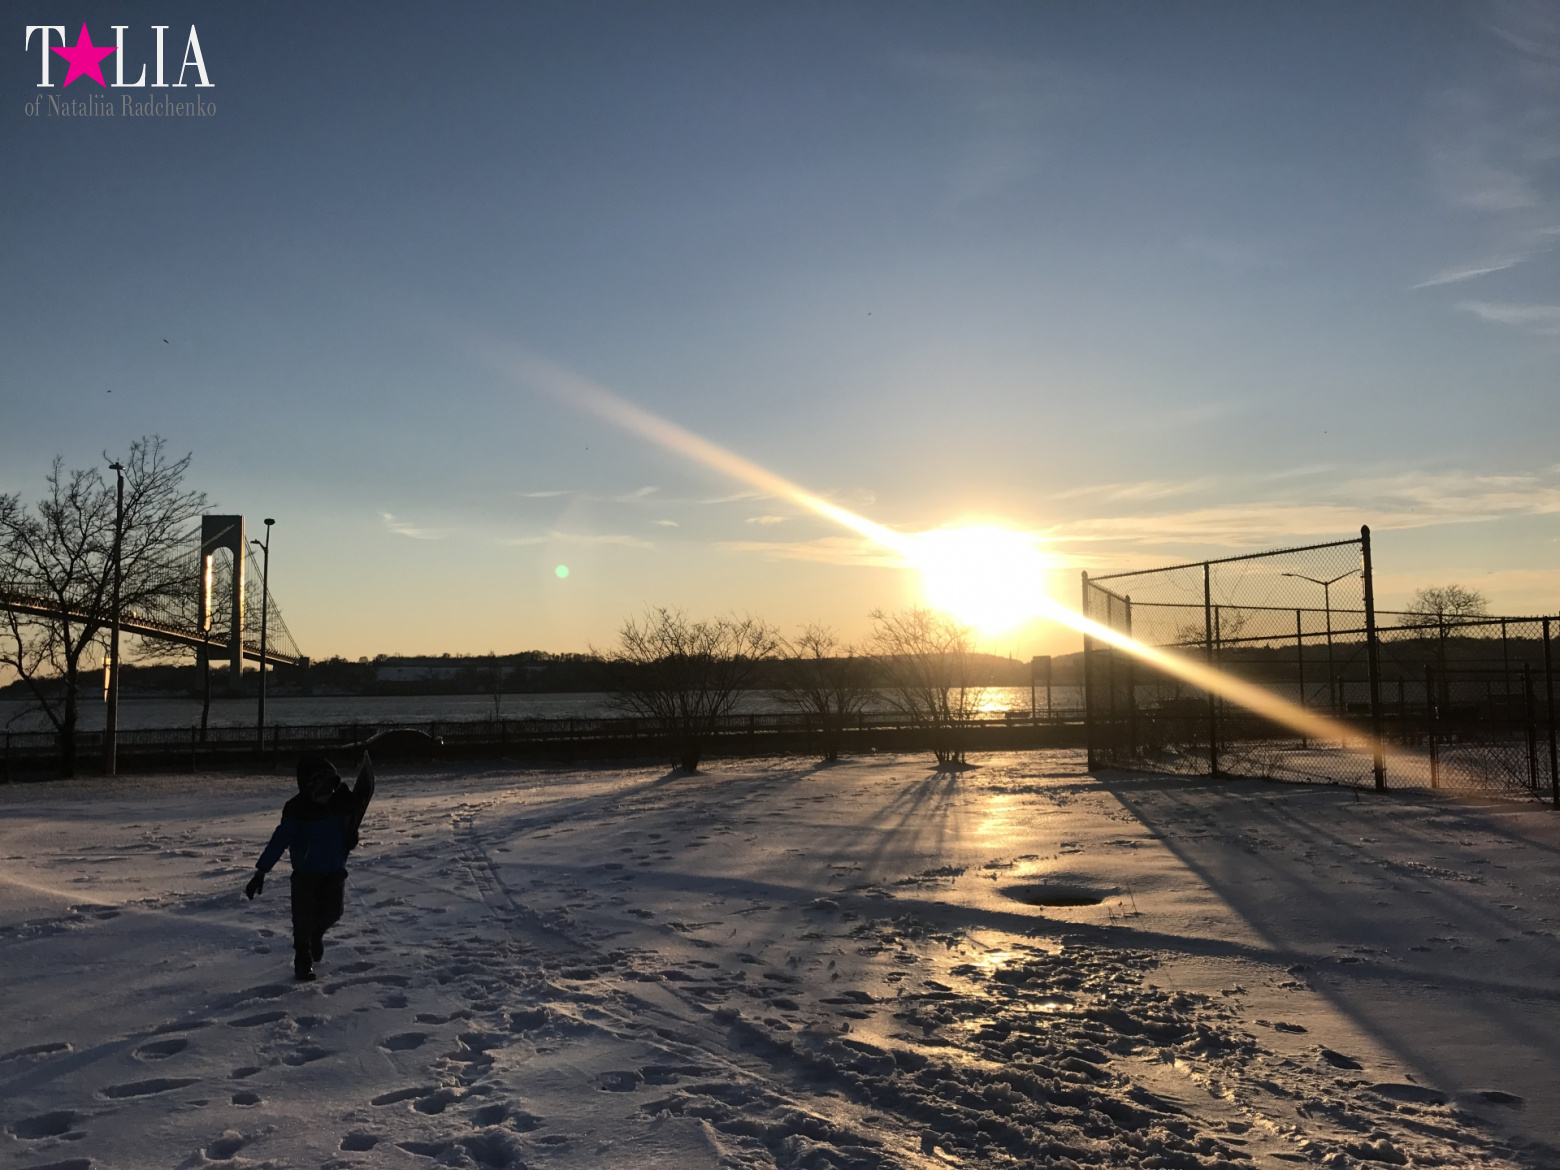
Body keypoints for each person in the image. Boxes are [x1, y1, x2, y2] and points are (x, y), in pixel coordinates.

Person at [246, 751, 375, 981]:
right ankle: (302, 960)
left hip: (335, 870)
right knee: (303, 918)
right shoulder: (297, 812)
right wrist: (261, 871)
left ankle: (317, 934)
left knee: (334, 913)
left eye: (330, 789)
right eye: (321, 791)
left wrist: (351, 837)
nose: (327, 795)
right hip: (306, 874)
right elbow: (278, 842)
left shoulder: (340, 805)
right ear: (308, 790)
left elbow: (347, 831)